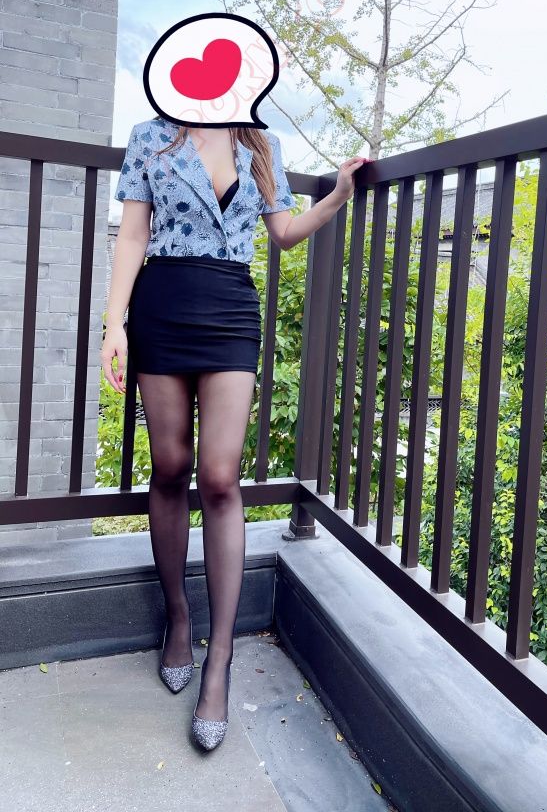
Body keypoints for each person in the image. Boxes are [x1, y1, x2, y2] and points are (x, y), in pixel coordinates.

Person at [103, 115, 369, 750]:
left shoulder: (261, 141)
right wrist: (114, 324)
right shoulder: (150, 135)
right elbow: (134, 233)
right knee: (169, 467)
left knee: (220, 477)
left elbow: (283, 232)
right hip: (161, 305)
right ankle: (177, 619)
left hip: (229, 310)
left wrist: (336, 196)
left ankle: (219, 659)